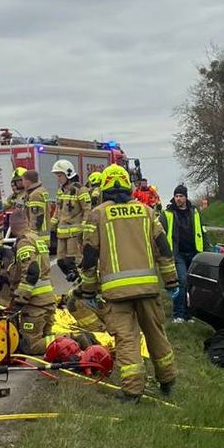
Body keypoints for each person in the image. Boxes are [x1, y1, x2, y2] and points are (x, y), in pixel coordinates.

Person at [81, 162, 177, 401]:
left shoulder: (98, 214)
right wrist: (172, 281)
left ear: (103, 188)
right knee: (156, 334)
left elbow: (90, 256)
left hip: (116, 293)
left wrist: (88, 289)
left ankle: (133, 391)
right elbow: (163, 249)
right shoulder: (147, 212)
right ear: (128, 186)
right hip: (148, 289)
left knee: (127, 339)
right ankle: (167, 381)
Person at [1, 206, 57, 354]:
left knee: (31, 346)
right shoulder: (36, 238)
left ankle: (73, 339)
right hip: (47, 300)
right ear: (26, 221)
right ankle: (65, 343)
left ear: (12, 226)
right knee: (46, 340)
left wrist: (19, 300)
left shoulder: (24, 242)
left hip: (35, 304)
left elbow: (31, 271)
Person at [162, 184, 204, 322]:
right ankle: (178, 314)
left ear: (186, 197)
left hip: (194, 252)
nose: (178, 199)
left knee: (192, 284)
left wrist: (206, 248)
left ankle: (189, 314)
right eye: (176, 196)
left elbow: (201, 232)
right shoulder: (167, 213)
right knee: (182, 281)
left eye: (181, 196)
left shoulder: (194, 212)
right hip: (177, 253)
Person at [49, 158, 90, 276]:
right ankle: (74, 280)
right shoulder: (61, 192)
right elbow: (58, 211)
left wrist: (84, 228)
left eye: (60, 175)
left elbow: (87, 210)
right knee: (61, 261)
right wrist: (51, 226)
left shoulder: (80, 190)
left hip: (75, 234)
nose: (58, 179)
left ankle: (81, 284)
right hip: (61, 233)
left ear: (68, 174)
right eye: (57, 176)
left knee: (73, 261)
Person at [21, 167, 51, 250]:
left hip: (39, 233)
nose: (22, 184)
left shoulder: (35, 194)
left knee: (39, 259)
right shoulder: (42, 190)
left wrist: (32, 233)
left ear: (27, 181)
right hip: (44, 232)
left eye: (23, 181)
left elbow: (36, 216)